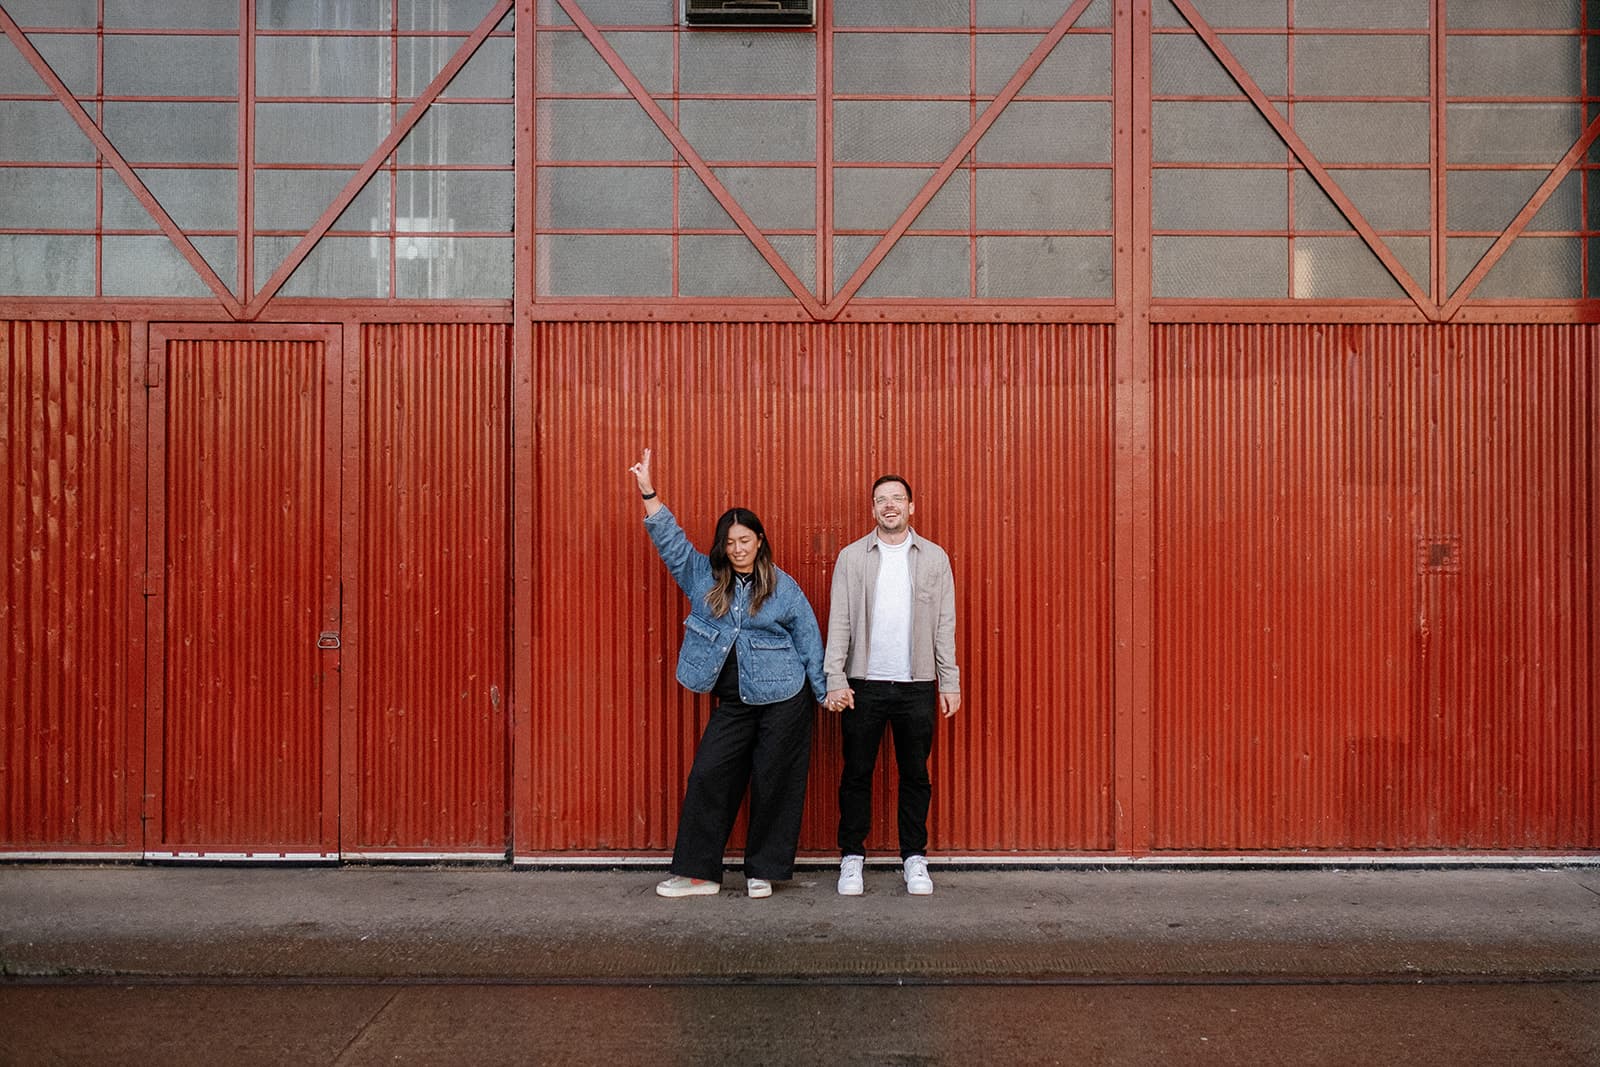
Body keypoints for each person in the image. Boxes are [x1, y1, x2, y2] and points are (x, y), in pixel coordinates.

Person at [630, 448, 827, 899]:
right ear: (723, 545)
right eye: (730, 542)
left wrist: (825, 689)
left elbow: (808, 637)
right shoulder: (701, 574)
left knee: (775, 781)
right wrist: (648, 491)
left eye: (746, 540)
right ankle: (699, 875)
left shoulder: (781, 585)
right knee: (709, 776)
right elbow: (671, 541)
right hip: (736, 702)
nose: (738, 549)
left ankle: (763, 871)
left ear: (759, 540)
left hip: (785, 698)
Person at [822, 474, 960, 896]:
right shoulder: (852, 557)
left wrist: (948, 680)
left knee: (916, 775)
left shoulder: (934, 558)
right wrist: (835, 677)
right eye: (881, 500)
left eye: (897, 498)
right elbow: (840, 620)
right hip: (863, 683)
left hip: (916, 683)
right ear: (873, 509)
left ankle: (914, 858)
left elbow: (944, 624)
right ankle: (852, 858)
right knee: (857, 773)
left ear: (911, 507)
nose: (890, 506)